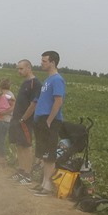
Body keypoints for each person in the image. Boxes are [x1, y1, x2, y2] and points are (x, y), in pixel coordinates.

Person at [31, 51, 66, 197]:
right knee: (44, 154)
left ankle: (48, 186)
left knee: (49, 155)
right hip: (41, 120)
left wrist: (49, 121)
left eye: (44, 61)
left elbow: (58, 101)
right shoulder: (48, 80)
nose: (41, 63)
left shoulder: (57, 80)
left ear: (52, 62)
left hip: (49, 120)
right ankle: (44, 183)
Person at [8, 60, 42, 185]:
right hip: (17, 119)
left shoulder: (35, 83)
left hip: (25, 121)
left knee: (26, 147)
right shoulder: (25, 83)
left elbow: (34, 103)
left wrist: (24, 118)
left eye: (21, 69)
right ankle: (21, 171)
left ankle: (27, 175)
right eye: (18, 69)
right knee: (19, 145)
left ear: (29, 68)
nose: (19, 71)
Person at [0, 79, 15, 166]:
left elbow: (13, 106)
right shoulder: (0, 93)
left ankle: (2, 160)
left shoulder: (9, 94)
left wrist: (3, 113)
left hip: (5, 120)